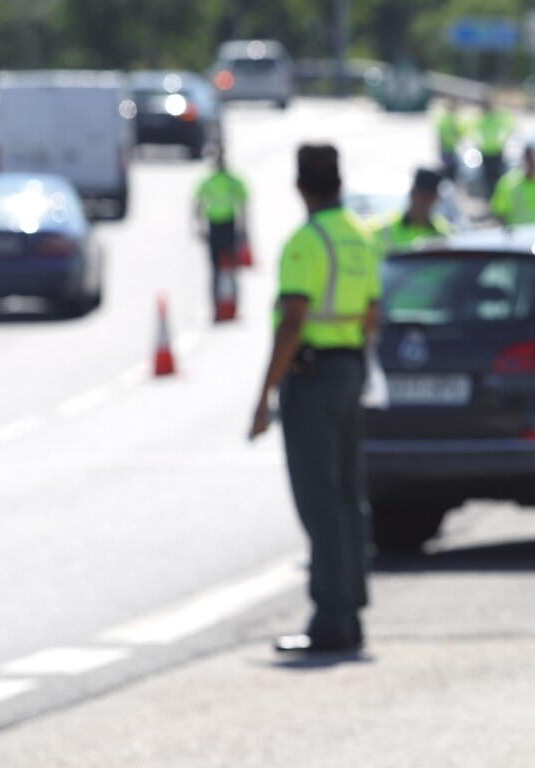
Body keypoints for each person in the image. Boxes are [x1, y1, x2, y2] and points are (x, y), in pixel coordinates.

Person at [249, 143, 382, 653]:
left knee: (318, 498)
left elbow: (293, 321)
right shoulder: (360, 238)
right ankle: (349, 609)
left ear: (300, 186)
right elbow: (372, 314)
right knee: (348, 495)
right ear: (340, 183)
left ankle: (330, 616)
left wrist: (264, 395)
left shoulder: (304, 243)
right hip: (349, 368)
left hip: (312, 375)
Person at [193, 149, 249, 300]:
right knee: (220, 267)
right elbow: (199, 204)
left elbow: (242, 203)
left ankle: (229, 301)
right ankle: (218, 301)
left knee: (225, 267)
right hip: (218, 226)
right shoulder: (225, 180)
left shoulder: (225, 180)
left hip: (227, 225)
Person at [374, 168, 451, 253]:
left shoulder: (444, 233)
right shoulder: (383, 229)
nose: (423, 201)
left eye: (428, 197)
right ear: (412, 192)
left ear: (436, 198)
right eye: (420, 194)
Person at [489, 146, 535, 226]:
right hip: (520, 231)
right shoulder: (509, 183)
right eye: (530, 161)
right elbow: (498, 210)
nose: (532, 165)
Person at [474, 99, 514, 197]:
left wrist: (504, 141)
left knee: (497, 179)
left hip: (496, 152)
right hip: (486, 152)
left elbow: (511, 126)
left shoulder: (496, 119)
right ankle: (491, 198)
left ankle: (497, 197)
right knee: (488, 179)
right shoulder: (481, 121)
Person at [434, 100, 464, 182]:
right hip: (446, 150)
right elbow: (441, 136)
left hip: (451, 149)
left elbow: (458, 134)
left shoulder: (452, 120)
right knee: (449, 171)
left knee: (453, 170)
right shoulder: (446, 121)